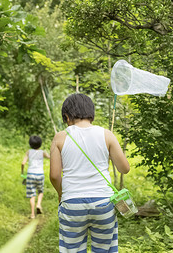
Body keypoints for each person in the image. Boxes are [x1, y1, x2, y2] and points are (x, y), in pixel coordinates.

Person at [50, 93, 130, 253]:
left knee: (71, 249)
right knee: (103, 249)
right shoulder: (107, 134)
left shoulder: (59, 138)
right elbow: (124, 168)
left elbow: (54, 175)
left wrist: (61, 193)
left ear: (66, 117)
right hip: (104, 203)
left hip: (72, 203)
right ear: (91, 114)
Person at [21, 135, 50, 219]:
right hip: (40, 174)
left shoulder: (28, 152)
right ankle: (38, 204)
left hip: (30, 174)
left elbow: (23, 163)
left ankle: (32, 214)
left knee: (32, 195)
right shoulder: (43, 152)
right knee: (40, 191)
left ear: (30, 144)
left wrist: (22, 173)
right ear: (40, 144)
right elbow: (50, 157)